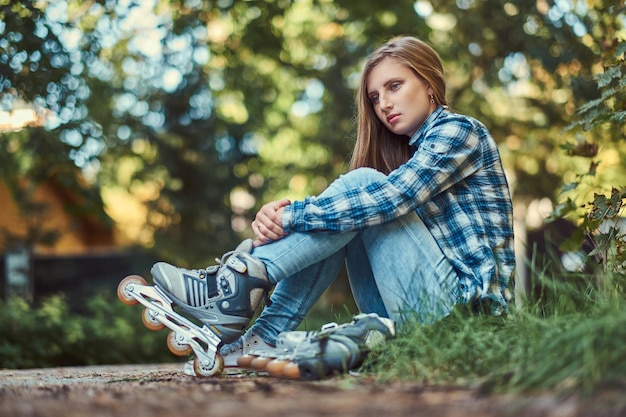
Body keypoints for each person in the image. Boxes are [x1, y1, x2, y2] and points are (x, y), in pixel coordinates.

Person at [150, 35, 516, 369]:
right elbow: (364, 206)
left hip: (467, 322)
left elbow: (392, 198)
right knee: (350, 205)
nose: (384, 104)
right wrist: (289, 215)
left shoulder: (460, 131)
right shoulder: (413, 156)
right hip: (416, 315)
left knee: (365, 186)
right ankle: (262, 332)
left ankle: (237, 284)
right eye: (374, 97)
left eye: (394, 86)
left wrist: (291, 215)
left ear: (429, 84)